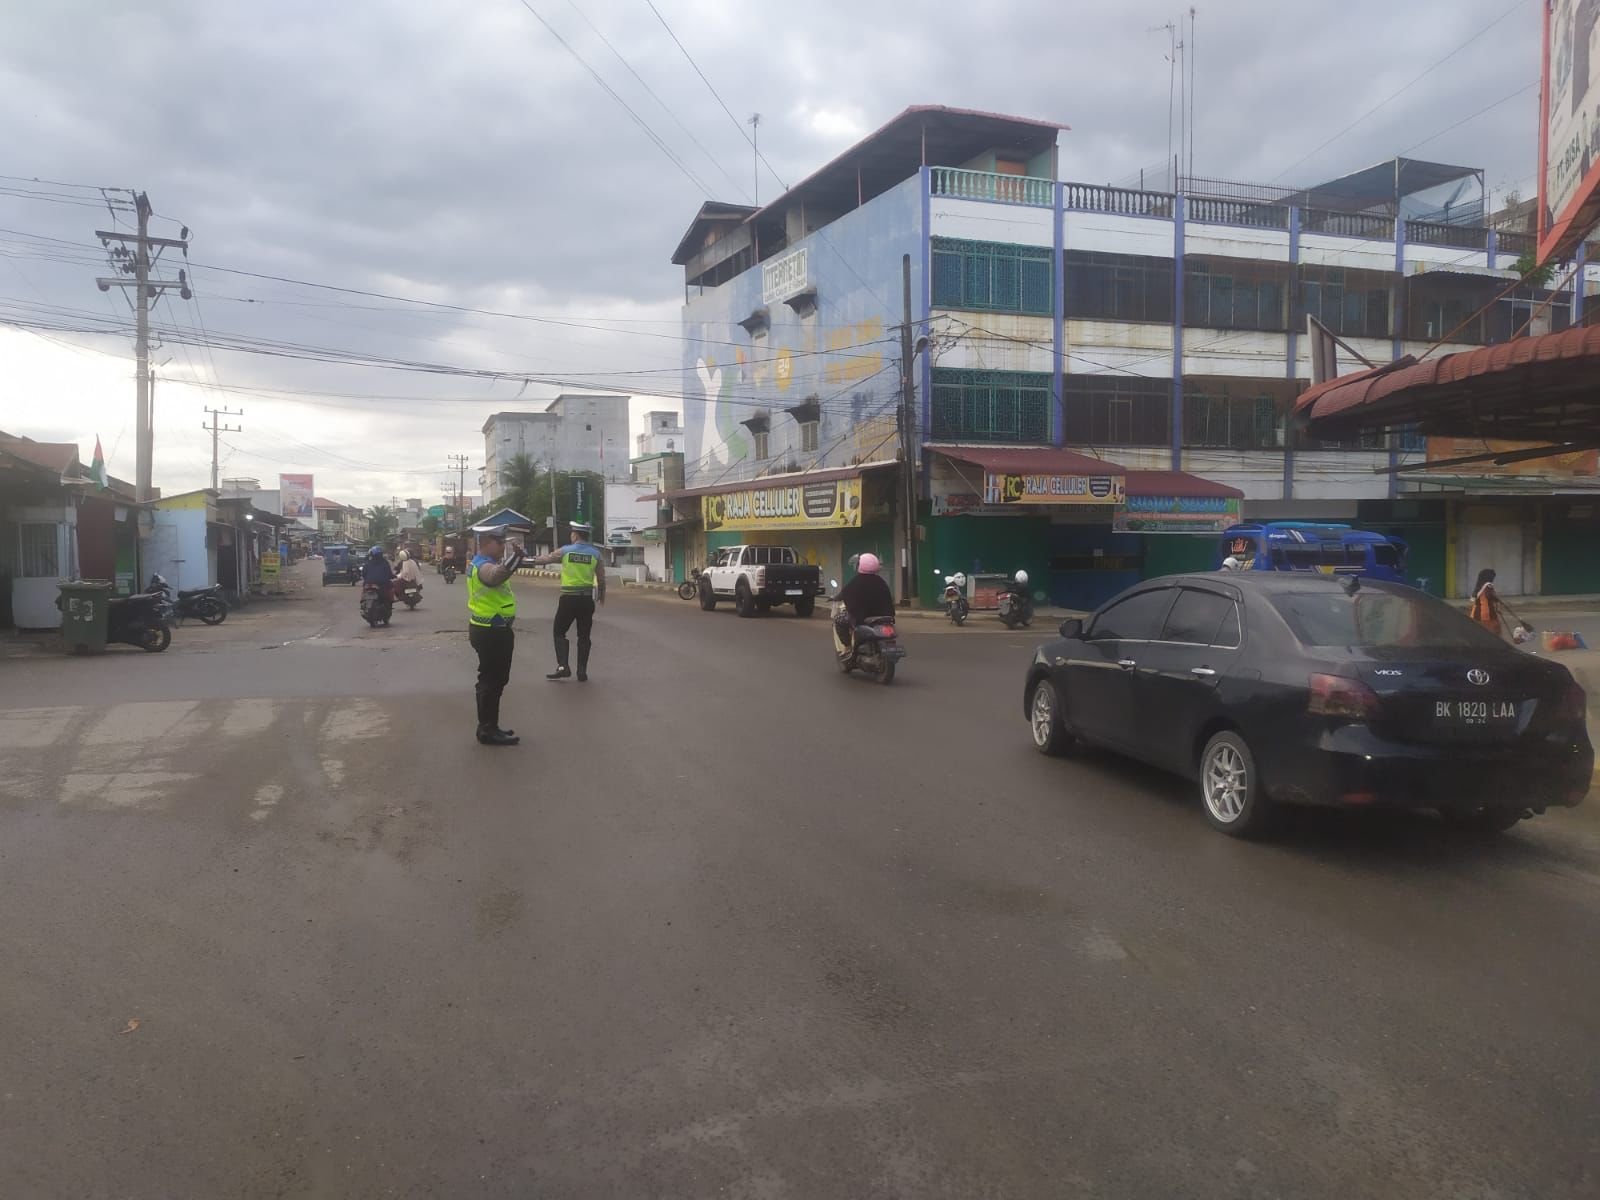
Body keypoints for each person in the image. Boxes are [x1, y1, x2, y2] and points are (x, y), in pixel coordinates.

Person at [467, 528, 526, 746]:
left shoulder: (484, 562)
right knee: (491, 681)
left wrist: (515, 558)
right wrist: (516, 558)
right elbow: (494, 577)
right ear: (486, 542)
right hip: (490, 631)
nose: (503, 547)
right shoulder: (483, 565)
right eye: (499, 543)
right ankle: (487, 729)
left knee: (496, 680)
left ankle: (491, 725)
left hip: (492, 629)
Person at [528, 520, 606, 682]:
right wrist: (601, 595)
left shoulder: (565, 551)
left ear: (575, 535)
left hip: (568, 599)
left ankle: (563, 666)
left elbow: (545, 559)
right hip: (586, 600)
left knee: (559, 631)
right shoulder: (595, 553)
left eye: (572, 533)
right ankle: (582, 671)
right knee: (584, 635)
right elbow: (601, 578)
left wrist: (526, 560)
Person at [834, 552, 895, 650]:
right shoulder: (881, 582)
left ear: (860, 565)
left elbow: (844, 593)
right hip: (884, 616)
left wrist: (835, 597)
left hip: (862, 617)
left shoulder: (856, 581)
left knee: (839, 620)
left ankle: (848, 647)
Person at [1469, 568, 1505, 637]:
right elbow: (1490, 596)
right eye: (1492, 577)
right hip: (1487, 615)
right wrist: (1497, 599)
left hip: (1475, 614)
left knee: (1479, 634)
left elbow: (1474, 599)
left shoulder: (1479, 586)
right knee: (1493, 633)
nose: (1493, 579)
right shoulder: (1488, 585)